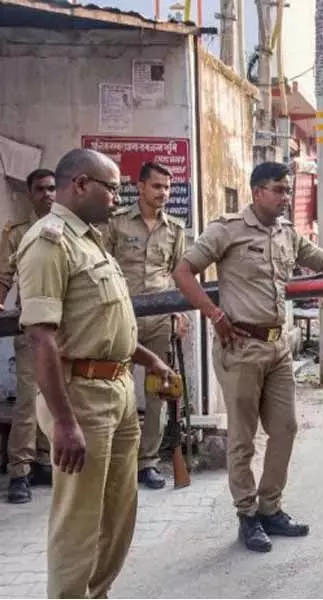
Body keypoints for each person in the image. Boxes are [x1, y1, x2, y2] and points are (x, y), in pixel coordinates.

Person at [17, 148, 177, 598]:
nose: (117, 198)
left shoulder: (89, 239)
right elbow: (42, 338)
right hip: (81, 397)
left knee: (118, 513)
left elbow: (104, 322)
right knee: (79, 519)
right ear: (82, 185)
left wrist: (149, 359)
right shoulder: (50, 241)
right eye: (112, 188)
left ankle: (96, 592)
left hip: (119, 389)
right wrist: (64, 423)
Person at [173, 161, 323, 553]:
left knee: (285, 428)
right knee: (242, 439)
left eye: (288, 190)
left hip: (277, 347)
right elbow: (184, 272)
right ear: (256, 192)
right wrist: (214, 315)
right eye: (278, 190)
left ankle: (271, 508)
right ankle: (247, 516)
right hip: (240, 347)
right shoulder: (227, 230)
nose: (286, 197)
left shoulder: (287, 233)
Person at [103, 162, 188, 489]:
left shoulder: (176, 230)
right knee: (115, 387)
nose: (163, 193)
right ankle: (116, 458)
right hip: (121, 317)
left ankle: (147, 462)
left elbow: (180, 275)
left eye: (167, 187)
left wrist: (181, 312)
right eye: (156, 186)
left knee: (157, 390)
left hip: (160, 319)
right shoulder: (117, 224)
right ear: (140, 187)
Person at [0, 168, 55, 503]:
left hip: (64, 326)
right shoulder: (18, 233)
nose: (47, 194)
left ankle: (45, 461)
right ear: (31, 194)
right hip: (31, 326)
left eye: (52, 188)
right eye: (41, 189)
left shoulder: (73, 230)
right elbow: (4, 275)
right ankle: (20, 470)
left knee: (55, 395)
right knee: (27, 400)